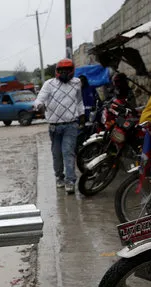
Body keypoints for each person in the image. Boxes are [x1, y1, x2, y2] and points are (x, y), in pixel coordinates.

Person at [34, 58, 85, 195]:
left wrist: (82, 115)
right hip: (54, 127)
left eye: (67, 70)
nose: (64, 73)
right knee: (57, 154)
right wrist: (39, 106)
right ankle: (59, 177)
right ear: (57, 71)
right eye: (61, 70)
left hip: (71, 125)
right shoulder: (49, 84)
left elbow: (79, 101)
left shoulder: (77, 83)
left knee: (68, 152)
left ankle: (70, 181)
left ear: (72, 71)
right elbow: (40, 99)